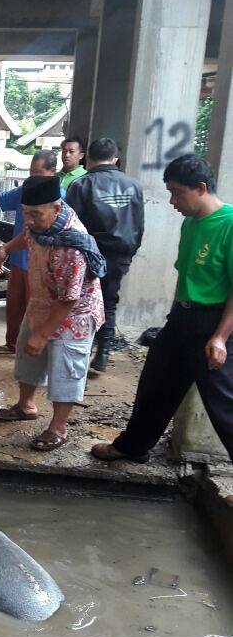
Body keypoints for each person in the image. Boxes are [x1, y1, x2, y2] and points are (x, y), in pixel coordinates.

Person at [92, 155, 233, 465]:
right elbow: (186, 276)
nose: (172, 201)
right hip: (182, 319)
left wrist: (221, 338)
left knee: (224, 405)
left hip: (215, 324)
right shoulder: (191, 224)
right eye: (169, 192)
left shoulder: (229, 224)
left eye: (177, 192)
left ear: (200, 188)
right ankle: (133, 446)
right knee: (156, 384)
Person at [0, 175, 105, 452]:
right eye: (25, 213)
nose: (28, 220)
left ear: (56, 207)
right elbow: (27, 235)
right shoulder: (42, 223)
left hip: (74, 315)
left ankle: (58, 428)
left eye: (35, 214)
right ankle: (25, 405)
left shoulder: (70, 244)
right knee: (27, 355)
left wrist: (42, 335)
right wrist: (6, 248)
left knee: (66, 370)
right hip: (43, 302)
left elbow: (68, 299)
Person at [0, 149, 59, 355]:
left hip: (39, 263)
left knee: (34, 307)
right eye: (31, 171)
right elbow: (25, 226)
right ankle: (13, 344)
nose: (28, 218)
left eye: (37, 172)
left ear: (51, 171)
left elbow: (37, 232)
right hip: (19, 259)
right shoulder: (26, 189)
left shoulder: (56, 198)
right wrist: (6, 249)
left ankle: (32, 346)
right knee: (15, 303)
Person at [65, 136, 144, 372]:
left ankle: (82, 351)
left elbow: (71, 225)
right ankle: (103, 354)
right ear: (115, 159)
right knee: (109, 302)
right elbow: (139, 224)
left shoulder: (81, 185)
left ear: (87, 158)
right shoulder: (134, 185)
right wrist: (129, 254)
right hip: (120, 255)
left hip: (90, 254)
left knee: (83, 303)